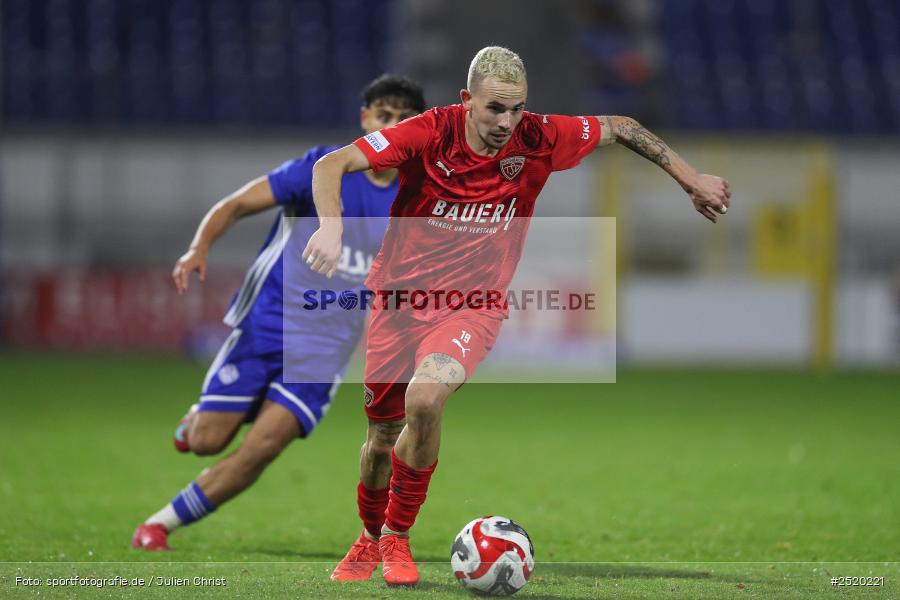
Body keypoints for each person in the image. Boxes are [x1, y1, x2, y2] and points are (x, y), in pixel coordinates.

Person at [307, 47, 731, 586]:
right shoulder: (428, 132)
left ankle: (396, 537)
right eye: (495, 110)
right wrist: (330, 226)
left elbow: (622, 126)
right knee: (380, 443)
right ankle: (369, 539)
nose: (508, 122)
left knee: (426, 398)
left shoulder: (539, 136)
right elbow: (331, 164)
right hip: (397, 301)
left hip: (471, 305)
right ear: (467, 101)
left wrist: (690, 178)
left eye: (517, 109)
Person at [131, 74, 426, 551]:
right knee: (207, 440)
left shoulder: (416, 197)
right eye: (383, 116)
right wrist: (198, 247)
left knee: (261, 449)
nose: (390, 127)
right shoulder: (324, 168)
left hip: (323, 351)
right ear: (365, 119)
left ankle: (159, 524)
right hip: (266, 324)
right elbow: (239, 203)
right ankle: (200, 420)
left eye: (403, 121)